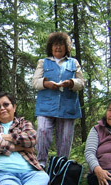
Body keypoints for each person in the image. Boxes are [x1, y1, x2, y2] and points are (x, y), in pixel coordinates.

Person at [32, 32, 85, 169]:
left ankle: (60, 168)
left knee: (65, 138)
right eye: (55, 45)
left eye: (61, 45)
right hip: (45, 106)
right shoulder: (43, 62)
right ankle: (41, 164)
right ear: (51, 47)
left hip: (68, 107)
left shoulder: (73, 63)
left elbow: (82, 82)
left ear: (66, 47)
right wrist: (46, 84)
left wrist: (71, 83)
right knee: (42, 131)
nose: (58, 48)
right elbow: (34, 82)